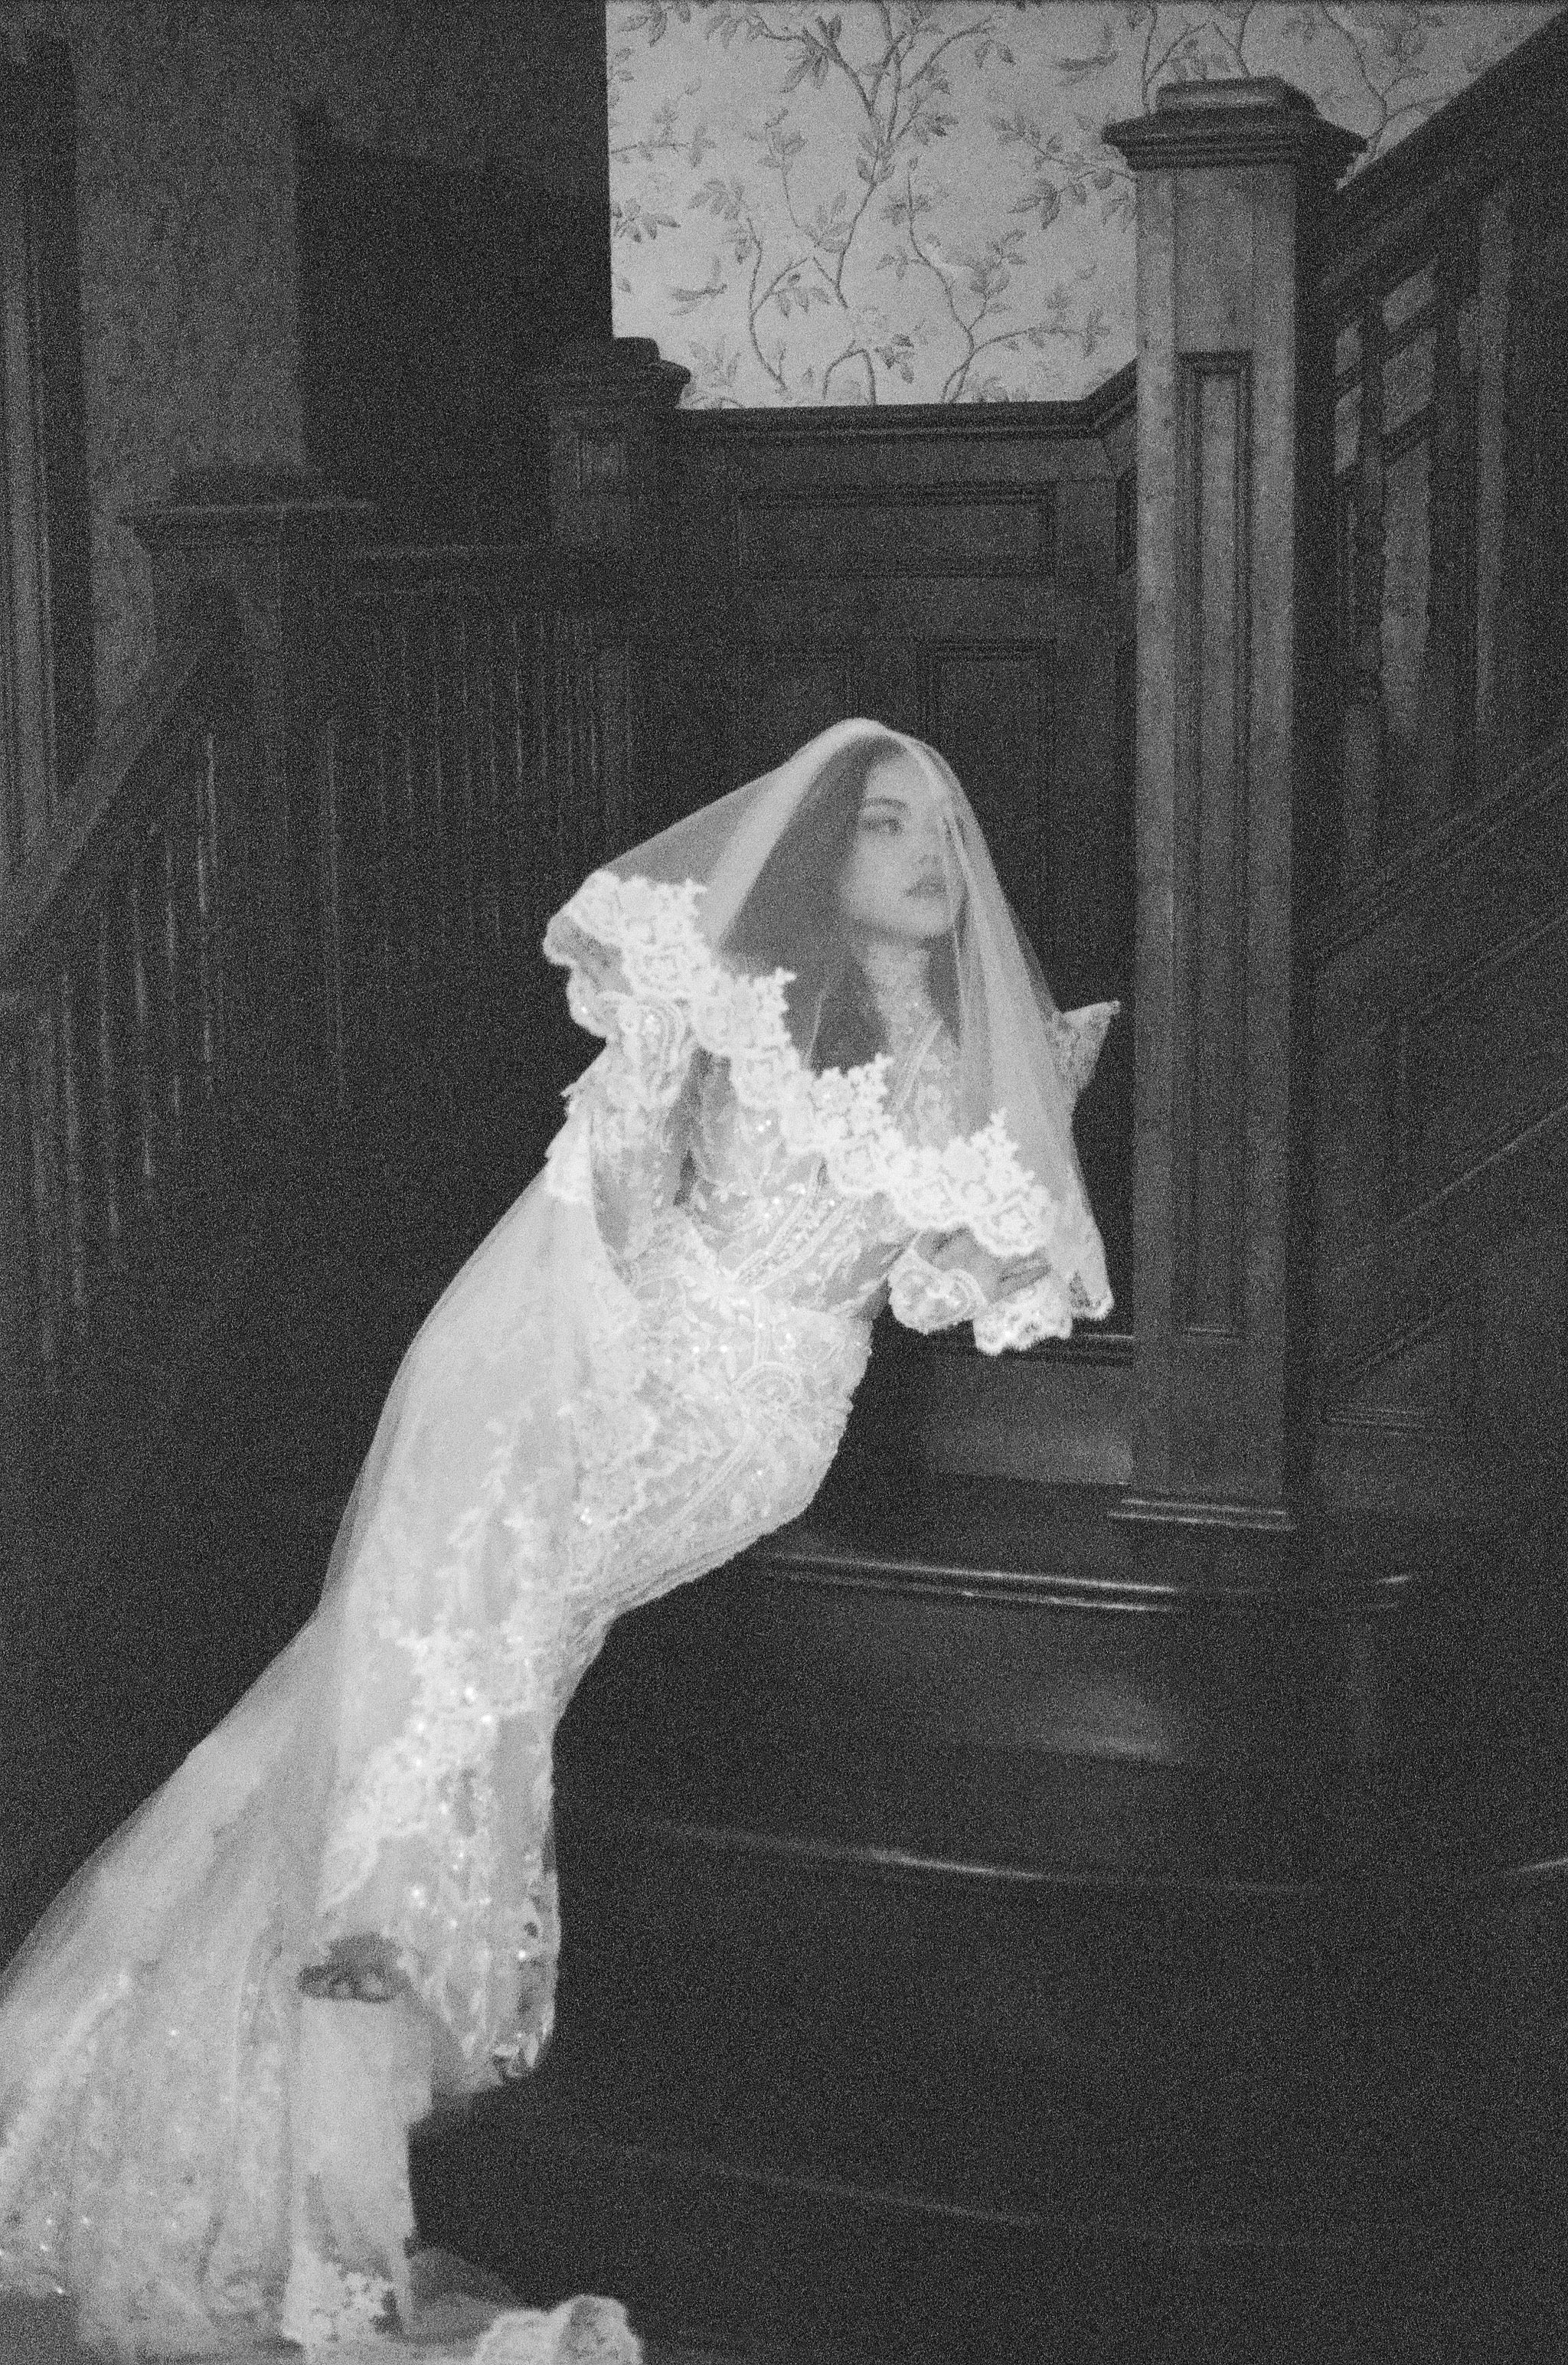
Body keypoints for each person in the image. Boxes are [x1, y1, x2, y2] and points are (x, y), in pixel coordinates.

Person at [0, 720, 1116, 2361]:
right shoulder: (747, 1011)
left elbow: (980, 1262)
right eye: (882, 825)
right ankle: (301, 2188)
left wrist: (1034, 1099)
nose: (926, 852)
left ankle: (298, 2111)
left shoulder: (975, 1056)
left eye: (941, 824)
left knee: (413, 1698)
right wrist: (579, 1363)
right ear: (823, 860)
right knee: (416, 1716)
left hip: (767, 1425)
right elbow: (605, 1192)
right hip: (622, 1377)